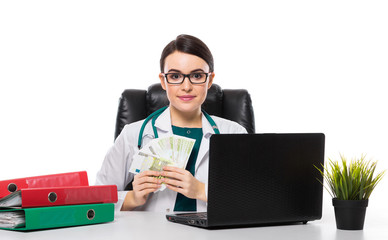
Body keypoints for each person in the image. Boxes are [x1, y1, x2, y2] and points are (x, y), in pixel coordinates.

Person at [96, 34, 247, 212]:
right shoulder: (133, 134)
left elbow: (252, 199)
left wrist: (202, 190)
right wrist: (132, 197)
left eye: (197, 76)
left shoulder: (233, 134)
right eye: (175, 76)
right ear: (163, 81)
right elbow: (98, 200)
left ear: (209, 80)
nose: (186, 86)